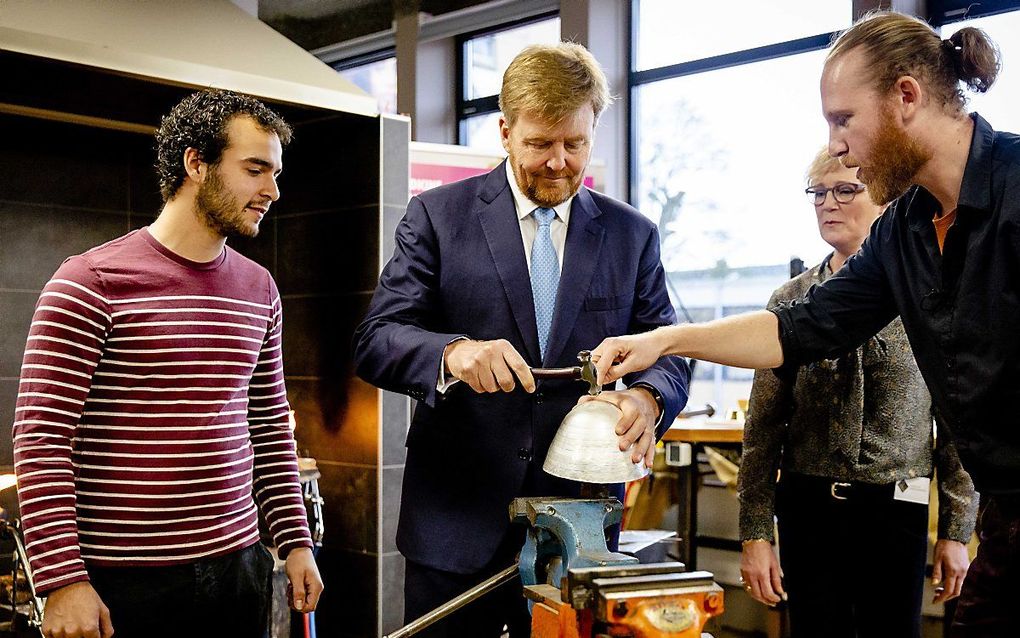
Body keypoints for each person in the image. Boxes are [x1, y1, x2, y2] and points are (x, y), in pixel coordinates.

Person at [590, 10, 1019, 635]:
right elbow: (795, 328)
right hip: (1006, 519)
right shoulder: (905, 232)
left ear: (905, 96)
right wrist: (667, 339)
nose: (837, 145)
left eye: (844, 120)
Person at [353, 43, 689, 637]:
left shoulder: (632, 235)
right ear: (505, 132)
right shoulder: (434, 216)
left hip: (579, 529)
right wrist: (453, 353)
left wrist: (649, 398)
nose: (559, 162)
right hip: (454, 523)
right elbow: (377, 339)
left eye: (575, 144)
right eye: (539, 144)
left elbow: (670, 346)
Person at [12, 89, 323, 638]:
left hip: (239, 567)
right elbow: (41, 441)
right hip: (122, 582)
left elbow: (271, 427)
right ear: (196, 163)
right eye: (255, 170)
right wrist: (61, 581)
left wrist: (295, 542)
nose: (272, 191)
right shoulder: (89, 283)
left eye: (275, 173)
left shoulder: (259, 288)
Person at [737, 148, 976, 638]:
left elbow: (956, 425)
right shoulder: (789, 301)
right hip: (809, 508)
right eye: (819, 193)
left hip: (898, 509)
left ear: (888, 200)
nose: (829, 203)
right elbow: (762, 430)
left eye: (846, 190)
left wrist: (956, 531)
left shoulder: (931, 296)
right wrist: (755, 534)